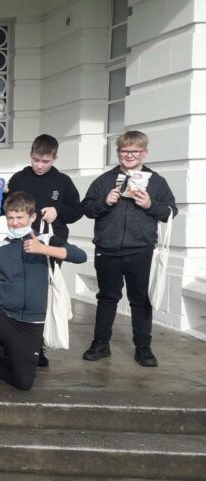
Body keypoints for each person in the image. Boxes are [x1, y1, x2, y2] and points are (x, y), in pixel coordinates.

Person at [0, 192, 86, 399]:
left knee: (23, 383)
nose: (14, 223)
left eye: (20, 218)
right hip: (1, 313)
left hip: (31, 323)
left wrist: (44, 249)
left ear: (32, 217)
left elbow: (81, 256)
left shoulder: (46, 239)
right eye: (10, 218)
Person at [80, 130, 177, 367]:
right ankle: (101, 343)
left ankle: (143, 347)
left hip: (141, 249)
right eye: (125, 151)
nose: (129, 155)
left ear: (145, 152)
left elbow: (171, 212)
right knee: (106, 297)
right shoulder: (104, 181)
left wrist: (150, 204)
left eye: (135, 151)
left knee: (141, 300)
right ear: (118, 153)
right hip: (107, 248)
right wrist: (105, 202)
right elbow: (87, 208)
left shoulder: (156, 181)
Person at [0, 134, 84, 366]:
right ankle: (7, 341)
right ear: (31, 155)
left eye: (45, 161)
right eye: (36, 159)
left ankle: (38, 346)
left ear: (55, 158)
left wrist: (58, 211)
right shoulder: (19, 178)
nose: (39, 165)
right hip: (19, 242)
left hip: (51, 244)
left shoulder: (63, 182)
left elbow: (77, 211)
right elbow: (1, 210)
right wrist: (1, 193)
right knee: (16, 288)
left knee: (43, 294)